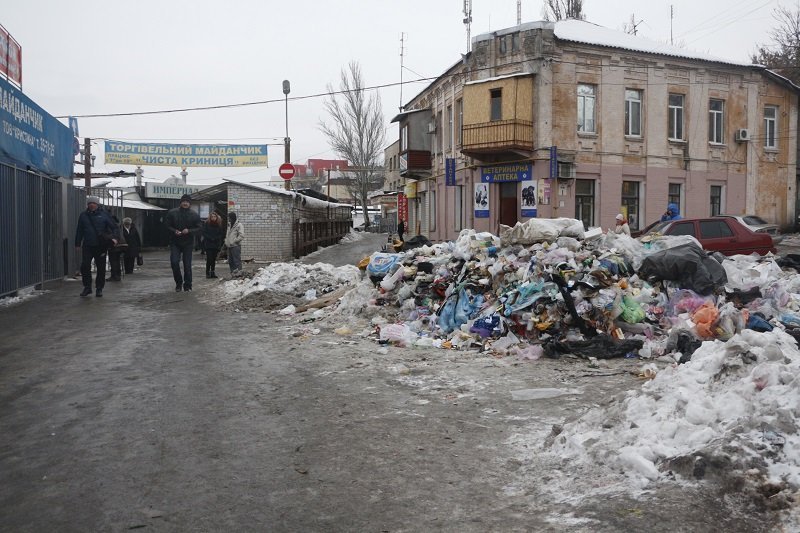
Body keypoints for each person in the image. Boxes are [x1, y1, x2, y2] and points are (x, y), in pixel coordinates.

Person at [74, 195, 118, 297]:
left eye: (93, 203)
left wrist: (115, 238)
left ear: (97, 204)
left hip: (101, 245)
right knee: (85, 266)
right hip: (88, 245)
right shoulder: (83, 215)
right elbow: (79, 230)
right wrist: (77, 243)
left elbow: (114, 227)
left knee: (101, 268)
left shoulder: (104, 215)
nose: (91, 205)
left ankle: (99, 288)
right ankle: (87, 287)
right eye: (90, 203)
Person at [165, 193, 201, 291]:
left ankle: (188, 285)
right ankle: (178, 283)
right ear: (180, 203)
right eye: (183, 202)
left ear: (190, 204)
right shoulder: (172, 213)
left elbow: (199, 228)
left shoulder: (194, 215)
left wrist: (189, 231)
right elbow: (167, 226)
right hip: (175, 242)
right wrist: (174, 231)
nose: (185, 203)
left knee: (187, 264)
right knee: (174, 262)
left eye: (187, 202)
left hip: (188, 243)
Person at [201, 211, 224, 278]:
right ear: (210, 217)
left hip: (216, 244)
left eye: (214, 216)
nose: (213, 218)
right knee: (209, 259)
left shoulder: (219, 224)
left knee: (213, 259)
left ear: (216, 217)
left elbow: (221, 234)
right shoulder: (207, 224)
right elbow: (204, 233)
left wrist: (216, 238)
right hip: (208, 244)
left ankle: (212, 272)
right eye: (212, 217)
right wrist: (210, 238)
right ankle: (207, 272)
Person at [224, 211, 244, 276]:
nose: (228, 219)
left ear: (232, 217)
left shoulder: (239, 225)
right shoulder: (229, 225)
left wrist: (234, 241)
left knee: (237, 260)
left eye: (229, 217)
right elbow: (228, 235)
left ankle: (239, 272)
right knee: (230, 261)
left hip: (236, 246)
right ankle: (233, 273)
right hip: (229, 246)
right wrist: (226, 241)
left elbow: (241, 235)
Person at [107, 215, 127, 282]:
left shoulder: (111, 226)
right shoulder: (117, 225)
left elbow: (112, 236)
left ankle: (115, 276)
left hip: (116, 245)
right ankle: (117, 275)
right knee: (117, 261)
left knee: (113, 261)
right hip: (122, 245)